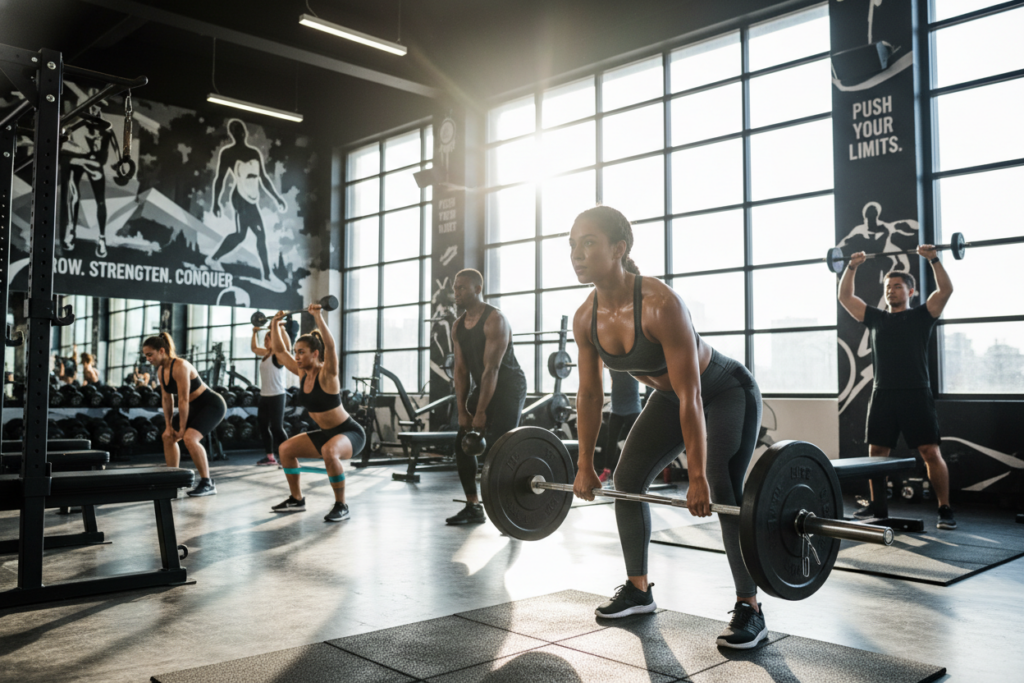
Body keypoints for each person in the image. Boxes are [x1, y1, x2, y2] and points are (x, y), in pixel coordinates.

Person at [569, 205, 765, 649]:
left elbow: (692, 394)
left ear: (619, 249)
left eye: (588, 243)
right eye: (572, 245)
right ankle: (638, 589)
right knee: (627, 479)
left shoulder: (659, 304)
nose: (577, 254)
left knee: (721, 488)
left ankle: (750, 607)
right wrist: (583, 464)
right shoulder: (586, 318)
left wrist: (696, 477)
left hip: (724, 390)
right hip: (670, 396)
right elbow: (589, 396)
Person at [838, 246, 956, 530]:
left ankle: (945, 509)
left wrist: (933, 259)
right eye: (888, 287)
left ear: (911, 291)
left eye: (898, 286)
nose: (891, 291)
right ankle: (877, 507)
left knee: (930, 452)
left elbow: (946, 290)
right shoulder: (877, 318)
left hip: (917, 393)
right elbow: (845, 297)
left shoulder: (922, 315)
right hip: (882, 395)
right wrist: (852, 266)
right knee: (876, 454)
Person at [268, 303, 365, 522]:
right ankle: (296, 499)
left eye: (301, 352)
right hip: (326, 434)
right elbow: (280, 352)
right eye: (297, 353)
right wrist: (274, 324)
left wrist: (318, 316)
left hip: (350, 434)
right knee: (285, 449)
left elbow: (331, 348)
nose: (297, 357)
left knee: (329, 451)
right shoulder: (302, 374)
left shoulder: (327, 374)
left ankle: (341, 505)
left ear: (315, 353)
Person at [446, 268, 527, 526]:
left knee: (501, 447)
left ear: (477, 289)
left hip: (509, 387)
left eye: (461, 287)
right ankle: (473, 506)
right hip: (484, 385)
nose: (456, 292)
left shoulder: (495, 320)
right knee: (463, 443)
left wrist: (480, 413)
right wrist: (463, 410)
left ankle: (514, 506)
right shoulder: (458, 326)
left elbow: (492, 369)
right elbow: (460, 370)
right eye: (455, 288)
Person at [143, 332, 227, 497]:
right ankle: (173, 478)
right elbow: (167, 400)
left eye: (150, 355)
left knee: (189, 438)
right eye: (146, 356)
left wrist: (181, 428)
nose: (148, 359)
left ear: (161, 350)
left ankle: (207, 483)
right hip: (193, 406)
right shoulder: (161, 371)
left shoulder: (180, 366)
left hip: (211, 405)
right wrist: (169, 426)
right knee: (167, 436)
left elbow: (182, 399)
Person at [207, 119, 287, 281]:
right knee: (245, 234)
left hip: (252, 198)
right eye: (236, 132)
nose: (240, 135)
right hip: (239, 199)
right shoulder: (228, 153)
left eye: (242, 131)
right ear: (232, 135)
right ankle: (213, 259)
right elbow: (220, 179)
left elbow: (263, 178)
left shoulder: (253, 153)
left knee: (254, 235)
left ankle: (266, 274)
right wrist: (215, 202)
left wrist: (277, 198)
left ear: (245, 133)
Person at [60, 103, 119, 257]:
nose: (94, 111)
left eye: (97, 108)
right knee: (74, 195)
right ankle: (71, 229)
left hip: (89, 163)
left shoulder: (105, 132)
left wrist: (82, 158)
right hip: (78, 162)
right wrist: (82, 158)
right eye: (91, 108)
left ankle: (101, 238)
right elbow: (64, 154)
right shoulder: (75, 127)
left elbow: (100, 161)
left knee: (100, 200)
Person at [252, 321, 289, 466]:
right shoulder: (266, 354)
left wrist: (281, 329)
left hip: (277, 395)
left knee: (277, 428)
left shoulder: (279, 355)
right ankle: (270, 457)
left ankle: (288, 457)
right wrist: (254, 332)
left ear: (274, 340)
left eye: (267, 339)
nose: (265, 342)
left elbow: (286, 346)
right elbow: (254, 348)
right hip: (265, 395)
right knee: (263, 426)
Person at [597, 370, 642, 484]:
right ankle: (607, 472)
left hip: (633, 409)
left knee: (636, 442)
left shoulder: (632, 362)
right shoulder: (613, 364)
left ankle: (638, 472)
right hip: (616, 409)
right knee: (611, 441)